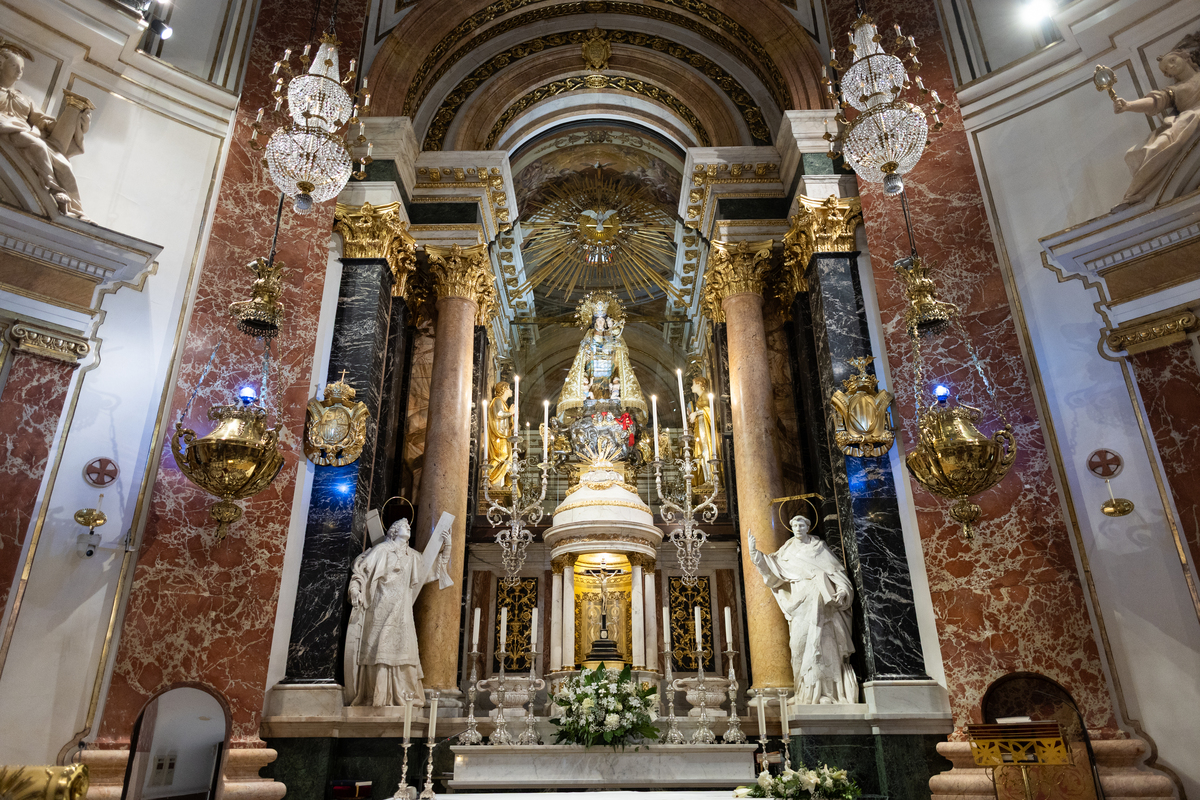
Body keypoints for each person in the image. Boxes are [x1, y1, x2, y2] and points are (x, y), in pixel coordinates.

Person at [748, 516, 858, 705]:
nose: (797, 528)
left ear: (808, 527)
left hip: (823, 606)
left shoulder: (819, 548)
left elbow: (837, 574)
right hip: (800, 606)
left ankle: (827, 693)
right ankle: (803, 692)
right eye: (794, 525)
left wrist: (842, 591)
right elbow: (771, 568)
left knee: (824, 647)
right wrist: (753, 553)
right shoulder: (787, 551)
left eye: (801, 525)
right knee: (798, 647)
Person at [345, 517, 452, 706]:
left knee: (404, 645)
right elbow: (361, 571)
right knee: (379, 646)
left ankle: (403, 694)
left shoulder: (412, 556)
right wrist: (355, 589)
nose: (408, 528)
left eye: (409, 526)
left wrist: (448, 546)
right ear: (393, 531)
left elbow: (434, 570)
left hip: (402, 611)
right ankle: (378, 696)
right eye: (404, 526)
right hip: (380, 606)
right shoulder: (381, 550)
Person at [0, 42, 92, 219]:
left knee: (63, 164)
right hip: (8, 131)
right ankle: (53, 187)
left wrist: (80, 124)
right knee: (37, 145)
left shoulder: (25, 99)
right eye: (14, 66)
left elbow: (44, 122)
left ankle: (76, 210)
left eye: (22, 68)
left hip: (22, 132)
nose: (19, 72)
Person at [1112, 32, 1200, 207]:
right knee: (1158, 147)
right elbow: (1155, 102)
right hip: (1187, 121)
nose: (1170, 68)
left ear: (1185, 56)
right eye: (1166, 70)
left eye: (1172, 61)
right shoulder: (1175, 89)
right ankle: (1134, 195)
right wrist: (1128, 105)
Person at [689, 375, 717, 487]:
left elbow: (710, 411)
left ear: (700, 384)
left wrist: (697, 413)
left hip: (706, 430)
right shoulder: (700, 398)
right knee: (703, 452)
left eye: (693, 384)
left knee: (706, 451)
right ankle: (706, 479)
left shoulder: (705, 396)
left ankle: (710, 479)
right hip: (701, 429)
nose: (691, 387)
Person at [486, 381, 514, 486]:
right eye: (509, 388)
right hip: (499, 435)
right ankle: (487, 476)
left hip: (505, 435)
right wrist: (510, 413)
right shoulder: (497, 400)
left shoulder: (504, 404)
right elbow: (498, 414)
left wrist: (512, 423)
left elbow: (506, 420)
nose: (511, 390)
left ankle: (504, 482)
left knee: (507, 458)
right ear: (504, 389)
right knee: (501, 455)